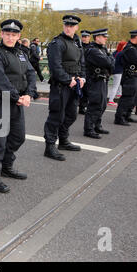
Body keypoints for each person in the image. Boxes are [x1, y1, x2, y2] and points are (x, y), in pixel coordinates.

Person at [0, 19, 38, 193]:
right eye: (7, 34)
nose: (10, 37)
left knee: (18, 137)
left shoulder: (21, 54)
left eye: (14, 35)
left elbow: (31, 74)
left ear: (19, 36)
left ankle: (6, 167)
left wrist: (29, 93)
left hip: (17, 102)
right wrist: (18, 97)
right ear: (1, 34)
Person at [43, 15, 86, 162]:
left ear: (76, 27)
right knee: (56, 116)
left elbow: (81, 63)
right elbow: (55, 66)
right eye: (66, 25)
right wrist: (68, 80)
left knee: (71, 114)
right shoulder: (57, 43)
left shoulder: (77, 42)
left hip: (74, 84)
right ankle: (49, 147)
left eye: (71, 25)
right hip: (61, 85)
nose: (68, 27)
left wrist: (82, 77)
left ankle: (63, 141)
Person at [83, 28, 115, 139]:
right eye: (104, 36)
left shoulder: (103, 49)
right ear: (97, 37)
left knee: (102, 104)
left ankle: (97, 125)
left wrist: (110, 60)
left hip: (103, 79)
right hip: (95, 80)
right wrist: (110, 60)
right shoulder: (92, 50)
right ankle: (89, 128)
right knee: (95, 104)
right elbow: (107, 62)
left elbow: (112, 62)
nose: (106, 38)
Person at [114, 30, 137, 126]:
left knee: (134, 98)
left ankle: (127, 115)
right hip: (130, 76)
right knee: (127, 98)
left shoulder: (136, 48)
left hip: (135, 76)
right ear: (136, 37)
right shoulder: (130, 49)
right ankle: (119, 118)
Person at [109, 41, 127, 105]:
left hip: (114, 71)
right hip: (119, 71)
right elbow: (123, 63)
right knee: (115, 86)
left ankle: (119, 94)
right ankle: (111, 100)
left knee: (118, 84)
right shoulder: (122, 53)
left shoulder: (115, 53)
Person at [78, 30, 91, 115]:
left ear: (89, 37)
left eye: (86, 37)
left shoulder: (92, 47)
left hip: (89, 71)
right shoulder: (78, 46)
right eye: (83, 36)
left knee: (86, 90)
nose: (84, 38)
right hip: (80, 70)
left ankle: (83, 107)